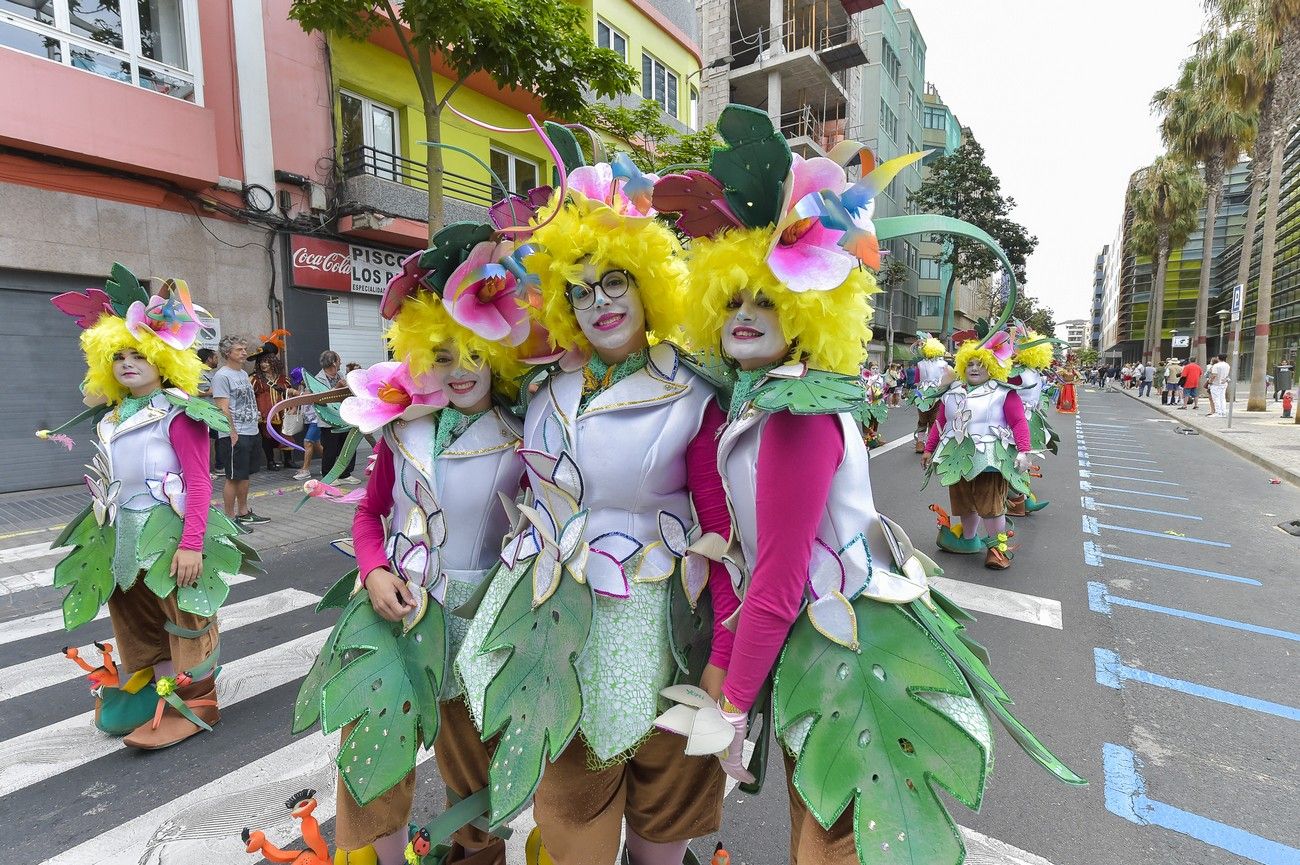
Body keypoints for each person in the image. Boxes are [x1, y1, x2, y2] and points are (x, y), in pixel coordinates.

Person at [658, 109, 1083, 864]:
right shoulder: (765, 397)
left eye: (770, 300)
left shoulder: (796, 413)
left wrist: (730, 704)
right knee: (822, 823)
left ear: (809, 309)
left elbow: (782, 578)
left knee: (834, 840)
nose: (748, 316)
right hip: (822, 637)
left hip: (846, 642)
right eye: (733, 300)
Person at [455, 154, 727, 865]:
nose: (599, 302)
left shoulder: (694, 394)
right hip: (552, 615)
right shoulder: (544, 389)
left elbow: (721, 531)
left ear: (648, 287)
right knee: (568, 779)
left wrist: (725, 653)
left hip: (656, 615)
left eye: (614, 282)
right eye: (579, 292)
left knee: (663, 788)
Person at [301, 230, 530, 865]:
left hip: (476, 618)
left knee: (472, 760)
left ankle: (477, 855)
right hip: (391, 611)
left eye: (474, 356)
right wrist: (372, 570)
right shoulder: (403, 429)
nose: (459, 370)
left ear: (499, 358)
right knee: (374, 745)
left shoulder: (521, 437)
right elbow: (371, 513)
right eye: (445, 354)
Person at [39, 265, 256, 749]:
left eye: (139, 353)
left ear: (165, 357)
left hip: (170, 529)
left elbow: (200, 482)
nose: (127, 363)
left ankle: (198, 700)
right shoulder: (113, 416)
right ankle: (149, 686)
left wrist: (192, 543)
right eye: (117, 355)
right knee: (132, 615)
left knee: (184, 613)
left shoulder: (180, 412)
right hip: (121, 532)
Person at [925, 335, 1034, 568]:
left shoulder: (1004, 392)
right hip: (956, 454)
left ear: (992, 366)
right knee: (963, 499)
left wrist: (1024, 450)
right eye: (970, 364)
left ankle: (997, 549)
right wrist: (928, 449)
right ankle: (968, 539)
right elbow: (940, 423)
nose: (974, 368)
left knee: (990, 502)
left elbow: (1018, 422)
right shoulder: (952, 392)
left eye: (980, 364)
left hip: (990, 457)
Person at [212, 336, 269, 525]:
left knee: (244, 475)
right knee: (233, 477)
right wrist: (232, 433)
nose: (244, 352)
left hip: (251, 430)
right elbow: (222, 407)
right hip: (235, 434)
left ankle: (244, 513)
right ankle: (228, 518)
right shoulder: (222, 376)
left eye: (244, 349)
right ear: (228, 353)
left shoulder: (244, 374)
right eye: (239, 349)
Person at [317, 350, 359, 485]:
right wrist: (337, 387)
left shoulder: (340, 375)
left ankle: (345, 474)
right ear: (334, 363)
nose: (341, 363)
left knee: (346, 447)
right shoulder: (318, 379)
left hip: (344, 418)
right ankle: (327, 476)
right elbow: (322, 399)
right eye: (339, 360)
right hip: (328, 422)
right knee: (330, 450)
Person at [250, 349, 295, 470]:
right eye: (261, 362)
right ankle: (270, 461)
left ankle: (288, 460)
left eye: (266, 362)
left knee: (285, 434)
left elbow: (289, 395)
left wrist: (293, 408)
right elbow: (250, 396)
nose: (263, 364)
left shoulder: (282, 379)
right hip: (265, 413)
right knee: (267, 437)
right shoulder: (255, 379)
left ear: (273, 362)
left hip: (283, 412)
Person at [910, 332, 953, 453]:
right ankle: (923, 442)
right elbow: (917, 381)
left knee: (929, 419)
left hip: (933, 394)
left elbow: (917, 381)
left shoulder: (936, 364)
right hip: (929, 394)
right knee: (928, 419)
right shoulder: (923, 364)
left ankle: (926, 443)